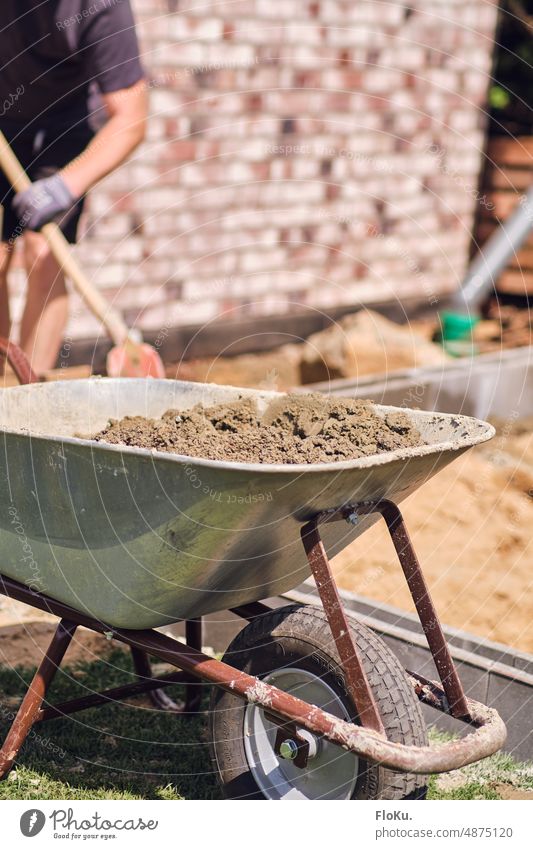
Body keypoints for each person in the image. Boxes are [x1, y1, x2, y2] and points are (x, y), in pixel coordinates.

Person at [0, 1, 148, 374]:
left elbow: (131, 117)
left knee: (44, 253)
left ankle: (27, 403)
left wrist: (64, 187)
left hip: (65, 124)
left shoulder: (102, 8)